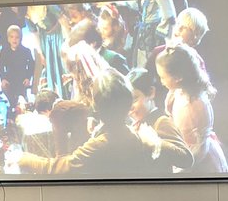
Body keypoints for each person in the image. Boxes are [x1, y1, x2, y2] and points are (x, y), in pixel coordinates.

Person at [16, 70, 194, 178]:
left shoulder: (107, 140)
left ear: (96, 105)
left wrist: (24, 158)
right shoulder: (124, 130)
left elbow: (61, 167)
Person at [156, 43, 228, 174]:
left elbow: (201, 146)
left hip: (198, 159)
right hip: (183, 148)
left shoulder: (197, 105)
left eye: (163, 77)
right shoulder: (176, 92)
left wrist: (184, 167)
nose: (161, 81)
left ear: (178, 77)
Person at [0, 24, 35, 112]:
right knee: (4, 85)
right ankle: (12, 102)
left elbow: (31, 65)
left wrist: (28, 78)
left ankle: (21, 99)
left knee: (22, 99)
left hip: (22, 78)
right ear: (8, 39)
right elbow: (0, 66)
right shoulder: (4, 51)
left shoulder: (26, 51)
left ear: (20, 38)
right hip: (10, 78)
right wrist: (3, 78)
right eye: (12, 37)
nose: (14, 39)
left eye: (17, 37)